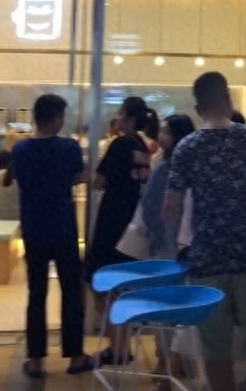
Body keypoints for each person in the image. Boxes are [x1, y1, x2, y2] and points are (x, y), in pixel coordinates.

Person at [164, 71, 246, 391]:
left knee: (215, 346)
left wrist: (178, 245)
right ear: (228, 100)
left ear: (198, 109)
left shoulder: (187, 147)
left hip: (208, 256)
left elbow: (171, 206)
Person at [11, 94, 93, 378]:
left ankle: (35, 361)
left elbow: (22, 180)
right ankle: (76, 356)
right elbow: (77, 176)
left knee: (36, 294)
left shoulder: (20, 149)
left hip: (34, 229)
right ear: (57, 117)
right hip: (63, 228)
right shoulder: (69, 147)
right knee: (72, 292)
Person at [86, 95, 151, 365]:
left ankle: (117, 348)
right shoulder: (142, 146)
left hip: (112, 220)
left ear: (130, 117)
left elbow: (98, 182)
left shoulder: (120, 144)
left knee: (103, 284)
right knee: (121, 287)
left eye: (121, 113)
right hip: (131, 223)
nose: (118, 118)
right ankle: (122, 346)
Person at [140, 114, 196, 390]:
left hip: (166, 246)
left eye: (166, 132)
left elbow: (150, 208)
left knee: (165, 308)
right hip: (190, 247)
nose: (161, 136)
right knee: (184, 307)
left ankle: (165, 362)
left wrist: (154, 235)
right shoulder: (197, 166)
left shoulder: (164, 169)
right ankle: (180, 361)